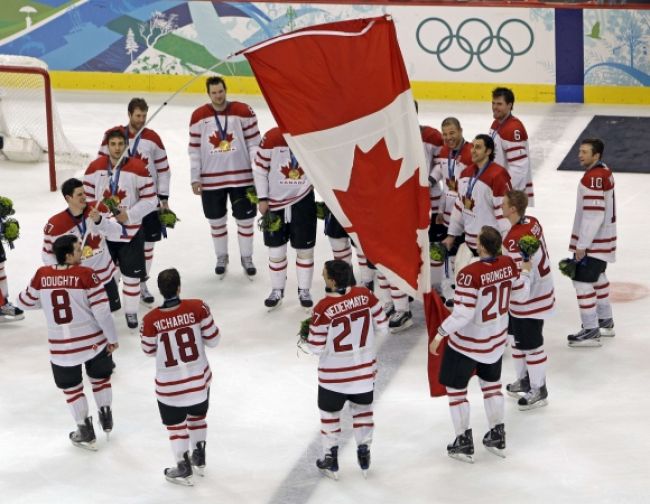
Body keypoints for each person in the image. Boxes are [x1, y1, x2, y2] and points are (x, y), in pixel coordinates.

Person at [429, 226, 531, 463]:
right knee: (491, 386)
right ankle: (498, 434)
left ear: (482, 246)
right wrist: (525, 271)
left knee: (456, 391)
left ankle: (463, 442)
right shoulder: (508, 264)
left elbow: (464, 313)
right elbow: (521, 295)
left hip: (466, 344)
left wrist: (439, 334)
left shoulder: (469, 273)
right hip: (495, 342)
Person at [16, 235, 119, 450]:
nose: (82, 252)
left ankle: (85, 430)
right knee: (100, 379)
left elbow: (23, 301)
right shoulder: (87, 274)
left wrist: (45, 303)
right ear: (68, 255)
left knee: (72, 389)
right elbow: (102, 312)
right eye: (78, 249)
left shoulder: (42, 275)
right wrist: (112, 339)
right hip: (93, 342)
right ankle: (106, 415)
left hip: (61, 348)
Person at [305, 260, 388, 478]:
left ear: (332, 281)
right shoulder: (366, 296)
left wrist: (308, 334)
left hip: (333, 377)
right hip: (363, 372)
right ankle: (364, 451)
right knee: (362, 411)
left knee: (330, 416)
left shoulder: (322, 308)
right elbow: (384, 326)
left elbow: (314, 347)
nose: (322, 275)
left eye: (324, 274)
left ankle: (330, 459)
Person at [140, 268, 221, 486]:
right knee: (197, 418)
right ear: (179, 287)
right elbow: (214, 339)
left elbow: (148, 351)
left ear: (160, 291)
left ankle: (183, 467)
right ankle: (199, 456)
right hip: (198, 382)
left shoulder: (150, 320)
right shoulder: (197, 307)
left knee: (176, 428)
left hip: (169, 389)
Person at [99, 98, 172, 305]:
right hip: (119, 202)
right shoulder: (114, 137)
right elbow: (101, 167)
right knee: (117, 244)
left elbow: (164, 170)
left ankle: (142, 284)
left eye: (144, 115)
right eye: (137, 115)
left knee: (147, 245)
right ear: (129, 114)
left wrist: (164, 199)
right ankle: (116, 283)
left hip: (148, 202)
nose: (141, 120)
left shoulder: (153, 139)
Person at [84, 128, 158, 328]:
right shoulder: (94, 168)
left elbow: (151, 199)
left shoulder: (138, 168)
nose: (116, 148)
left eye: (120, 144)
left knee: (132, 277)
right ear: (107, 146)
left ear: (126, 145)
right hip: (103, 233)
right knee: (106, 276)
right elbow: (87, 197)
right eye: (113, 144)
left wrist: (130, 215)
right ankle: (106, 311)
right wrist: (99, 217)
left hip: (131, 232)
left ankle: (131, 313)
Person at [189, 76, 261, 279]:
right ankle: (222, 257)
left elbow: (255, 144)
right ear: (208, 94)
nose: (218, 96)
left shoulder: (243, 111)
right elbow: (194, 150)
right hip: (211, 181)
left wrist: (258, 172)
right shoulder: (198, 116)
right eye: (214, 93)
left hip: (243, 179)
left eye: (221, 91)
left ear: (225, 90)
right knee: (216, 221)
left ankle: (247, 258)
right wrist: (195, 177)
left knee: (246, 220)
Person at [385, 103, 444, 332]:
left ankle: (435, 293)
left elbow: (443, 161)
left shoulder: (430, 135)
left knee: (434, 247)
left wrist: (429, 180)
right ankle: (403, 302)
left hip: (431, 200)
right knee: (400, 251)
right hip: (401, 205)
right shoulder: (389, 137)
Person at [502, 190, 555, 409]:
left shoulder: (513, 240)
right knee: (516, 339)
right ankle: (525, 380)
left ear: (513, 209)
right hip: (540, 291)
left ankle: (538, 389)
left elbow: (522, 276)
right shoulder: (532, 222)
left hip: (528, 301)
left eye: (505, 203)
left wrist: (514, 298)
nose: (501, 206)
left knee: (532, 346)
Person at [253, 126, 317, 309]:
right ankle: (277, 290)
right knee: (276, 251)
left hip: (303, 201)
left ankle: (304, 290)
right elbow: (259, 170)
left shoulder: (309, 134)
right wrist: (262, 198)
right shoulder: (272, 137)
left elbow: (322, 164)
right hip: (275, 204)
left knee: (305, 250)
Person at [42, 178, 123, 312]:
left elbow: (118, 232)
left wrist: (99, 221)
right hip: (79, 281)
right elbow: (48, 254)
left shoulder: (98, 208)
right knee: (87, 317)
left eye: (84, 193)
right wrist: (60, 275)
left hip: (104, 276)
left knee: (109, 314)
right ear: (68, 198)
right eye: (79, 194)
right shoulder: (56, 225)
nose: (84, 197)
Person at [566, 138, 617, 347]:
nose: (580, 155)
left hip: (595, 242)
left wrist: (582, 245)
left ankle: (590, 330)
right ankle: (605, 320)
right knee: (598, 277)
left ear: (596, 156)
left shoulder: (593, 178)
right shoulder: (604, 171)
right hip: (604, 240)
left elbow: (594, 215)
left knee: (581, 280)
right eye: (580, 151)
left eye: (585, 152)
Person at [442, 134, 512, 256]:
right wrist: (452, 234)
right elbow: (460, 207)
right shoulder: (465, 173)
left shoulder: (498, 175)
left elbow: (505, 213)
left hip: (491, 247)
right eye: (473, 146)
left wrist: (505, 246)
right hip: (469, 242)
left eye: (478, 147)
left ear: (488, 151)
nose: (473, 150)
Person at [430, 117, 473, 306]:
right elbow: (443, 177)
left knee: (461, 255)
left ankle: (461, 292)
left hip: (465, 213)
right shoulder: (444, 152)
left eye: (452, 133)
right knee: (449, 252)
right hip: (448, 212)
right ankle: (443, 290)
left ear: (461, 130)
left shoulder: (471, 153)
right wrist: (439, 207)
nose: (448, 138)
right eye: (445, 134)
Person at [489, 87, 534, 205]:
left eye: (499, 104)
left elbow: (518, 168)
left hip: (509, 195)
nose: (495, 107)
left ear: (509, 105)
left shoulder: (513, 129)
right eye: (493, 103)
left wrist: (503, 191)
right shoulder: (497, 123)